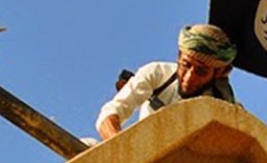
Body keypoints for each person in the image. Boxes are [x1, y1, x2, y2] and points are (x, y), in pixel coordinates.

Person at [95, 24, 238, 141]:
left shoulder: (223, 107)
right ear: (178, 57)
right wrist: (120, 149)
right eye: (186, 65)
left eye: (201, 72)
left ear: (219, 73)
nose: (189, 78)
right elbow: (110, 114)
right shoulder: (157, 73)